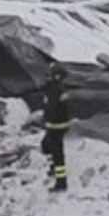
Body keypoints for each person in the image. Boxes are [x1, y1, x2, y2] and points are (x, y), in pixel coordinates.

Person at [42, 63, 72, 192]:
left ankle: (61, 183)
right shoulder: (56, 89)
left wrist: (47, 120)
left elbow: (52, 108)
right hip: (55, 125)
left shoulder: (56, 90)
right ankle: (54, 168)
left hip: (56, 126)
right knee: (45, 145)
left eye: (51, 75)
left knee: (57, 153)